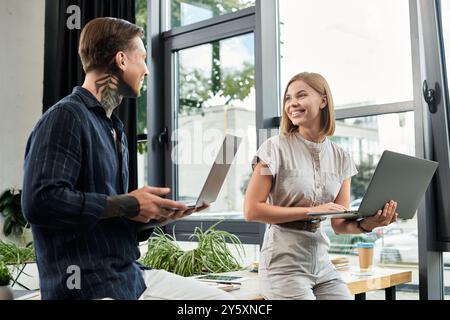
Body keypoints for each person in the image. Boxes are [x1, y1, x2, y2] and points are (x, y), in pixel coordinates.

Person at [22, 17, 233, 300]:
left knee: (224, 302)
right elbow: (40, 202)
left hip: (129, 276)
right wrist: (129, 202)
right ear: (121, 60)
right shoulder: (66, 118)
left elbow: (108, 215)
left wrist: (151, 216)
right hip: (88, 286)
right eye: (142, 58)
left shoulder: (115, 129)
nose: (146, 70)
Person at [244, 72, 398, 300]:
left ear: (323, 101)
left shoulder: (342, 157)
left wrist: (369, 224)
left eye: (301, 95)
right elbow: (251, 210)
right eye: (288, 98)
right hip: (283, 264)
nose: (292, 103)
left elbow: (339, 224)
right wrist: (311, 211)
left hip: (322, 264)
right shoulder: (273, 149)